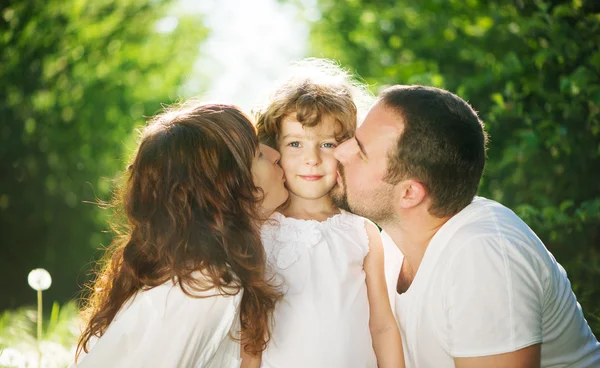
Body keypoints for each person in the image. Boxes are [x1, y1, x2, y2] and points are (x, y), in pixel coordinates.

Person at [331, 84, 600, 367]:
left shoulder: (483, 256)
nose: (339, 151)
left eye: (360, 152)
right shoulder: (390, 247)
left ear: (409, 193)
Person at [72, 102, 289, 368]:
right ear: (226, 190)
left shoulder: (201, 275)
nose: (275, 154)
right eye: (257, 154)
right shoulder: (202, 288)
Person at [254, 59, 404, 368]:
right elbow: (249, 333)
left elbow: (382, 325)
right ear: (274, 149)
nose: (311, 159)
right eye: (295, 143)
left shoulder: (361, 231)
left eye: (326, 144)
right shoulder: (259, 230)